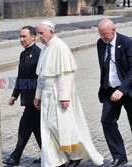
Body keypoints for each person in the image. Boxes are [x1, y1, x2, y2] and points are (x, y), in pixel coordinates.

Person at [33, 21, 104, 167]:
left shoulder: (61, 47)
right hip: (46, 95)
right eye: (38, 33)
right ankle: (56, 160)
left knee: (59, 126)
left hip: (57, 94)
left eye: (41, 33)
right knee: (47, 129)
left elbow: (66, 76)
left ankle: (78, 155)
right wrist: (37, 96)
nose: (39, 36)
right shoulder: (45, 48)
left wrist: (64, 97)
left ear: (51, 32)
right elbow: (41, 75)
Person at [3, 26, 41, 166]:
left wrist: (39, 97)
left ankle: (15, 157)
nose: (21, 39)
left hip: (36, 101)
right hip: (28, 99)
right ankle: (48, 155)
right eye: (20, 36)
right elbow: (20, 77)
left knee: (24, 128)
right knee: (37, 130)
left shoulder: (39, 53)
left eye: (24, 36)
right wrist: (14, 95)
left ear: (33, 37)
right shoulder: (23, 54)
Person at [97, 19, 132, 167]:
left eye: (105, 34)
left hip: (127, 90)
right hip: (110, 89)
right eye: (100, 35)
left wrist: (122, 90)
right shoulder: (100, 43)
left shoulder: (126, 42)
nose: (103, 38)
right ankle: (119, 156)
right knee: (107, 121)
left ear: (113, 30)